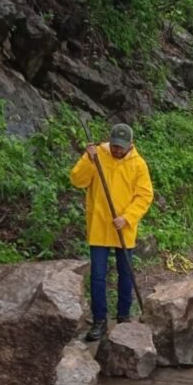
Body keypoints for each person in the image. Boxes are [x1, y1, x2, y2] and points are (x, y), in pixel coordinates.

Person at [70, 123, 154, 341]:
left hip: (123, 229)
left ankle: (124, 316)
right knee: (98, 276)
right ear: (110, 142)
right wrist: (88, 160)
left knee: (125, 273)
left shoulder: (138, 165)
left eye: (122, 148)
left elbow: (144, 196)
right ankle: (99, 321)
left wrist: (127, 217)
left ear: (130, 145)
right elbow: (77, 181)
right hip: (99, 226)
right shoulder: (96, 155)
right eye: (115, 146)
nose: (117, 151)